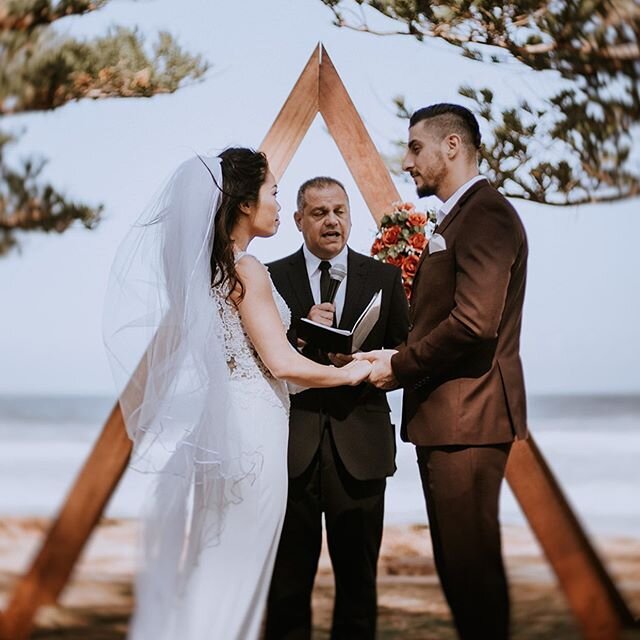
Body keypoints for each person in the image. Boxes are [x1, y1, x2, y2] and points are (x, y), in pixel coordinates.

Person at [104, 150, 372, 640]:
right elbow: (281, 363)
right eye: (272, 192)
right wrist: (355, 372)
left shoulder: (213, 270)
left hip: (232, 424)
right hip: (254, 433)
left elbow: (255, 358)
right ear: (245, 204)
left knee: (219, 560)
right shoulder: (247, 268)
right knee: (235, 569)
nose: (276, 203)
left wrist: (311, 340)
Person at [356, 104, 528, 640]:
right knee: (460, 566)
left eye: (414, 148)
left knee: (470, 567)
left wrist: (400, 366)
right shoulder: (460, 217)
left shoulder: (486, 215)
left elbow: (475, 324)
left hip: (469, 417)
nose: (407, 161)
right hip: (453, 420)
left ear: (451, 146)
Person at [265, 177, 409, 639]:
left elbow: (404, 353)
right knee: (286, 587)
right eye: (320, 212)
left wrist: (365, 362)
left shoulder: (383, 278)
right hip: (290, 452)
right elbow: (256, 357)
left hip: (360, 449)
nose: (332, 221)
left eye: (340, 211)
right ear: (298, 220)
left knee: (358, 587)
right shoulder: (270, 276)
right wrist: (301, 337)